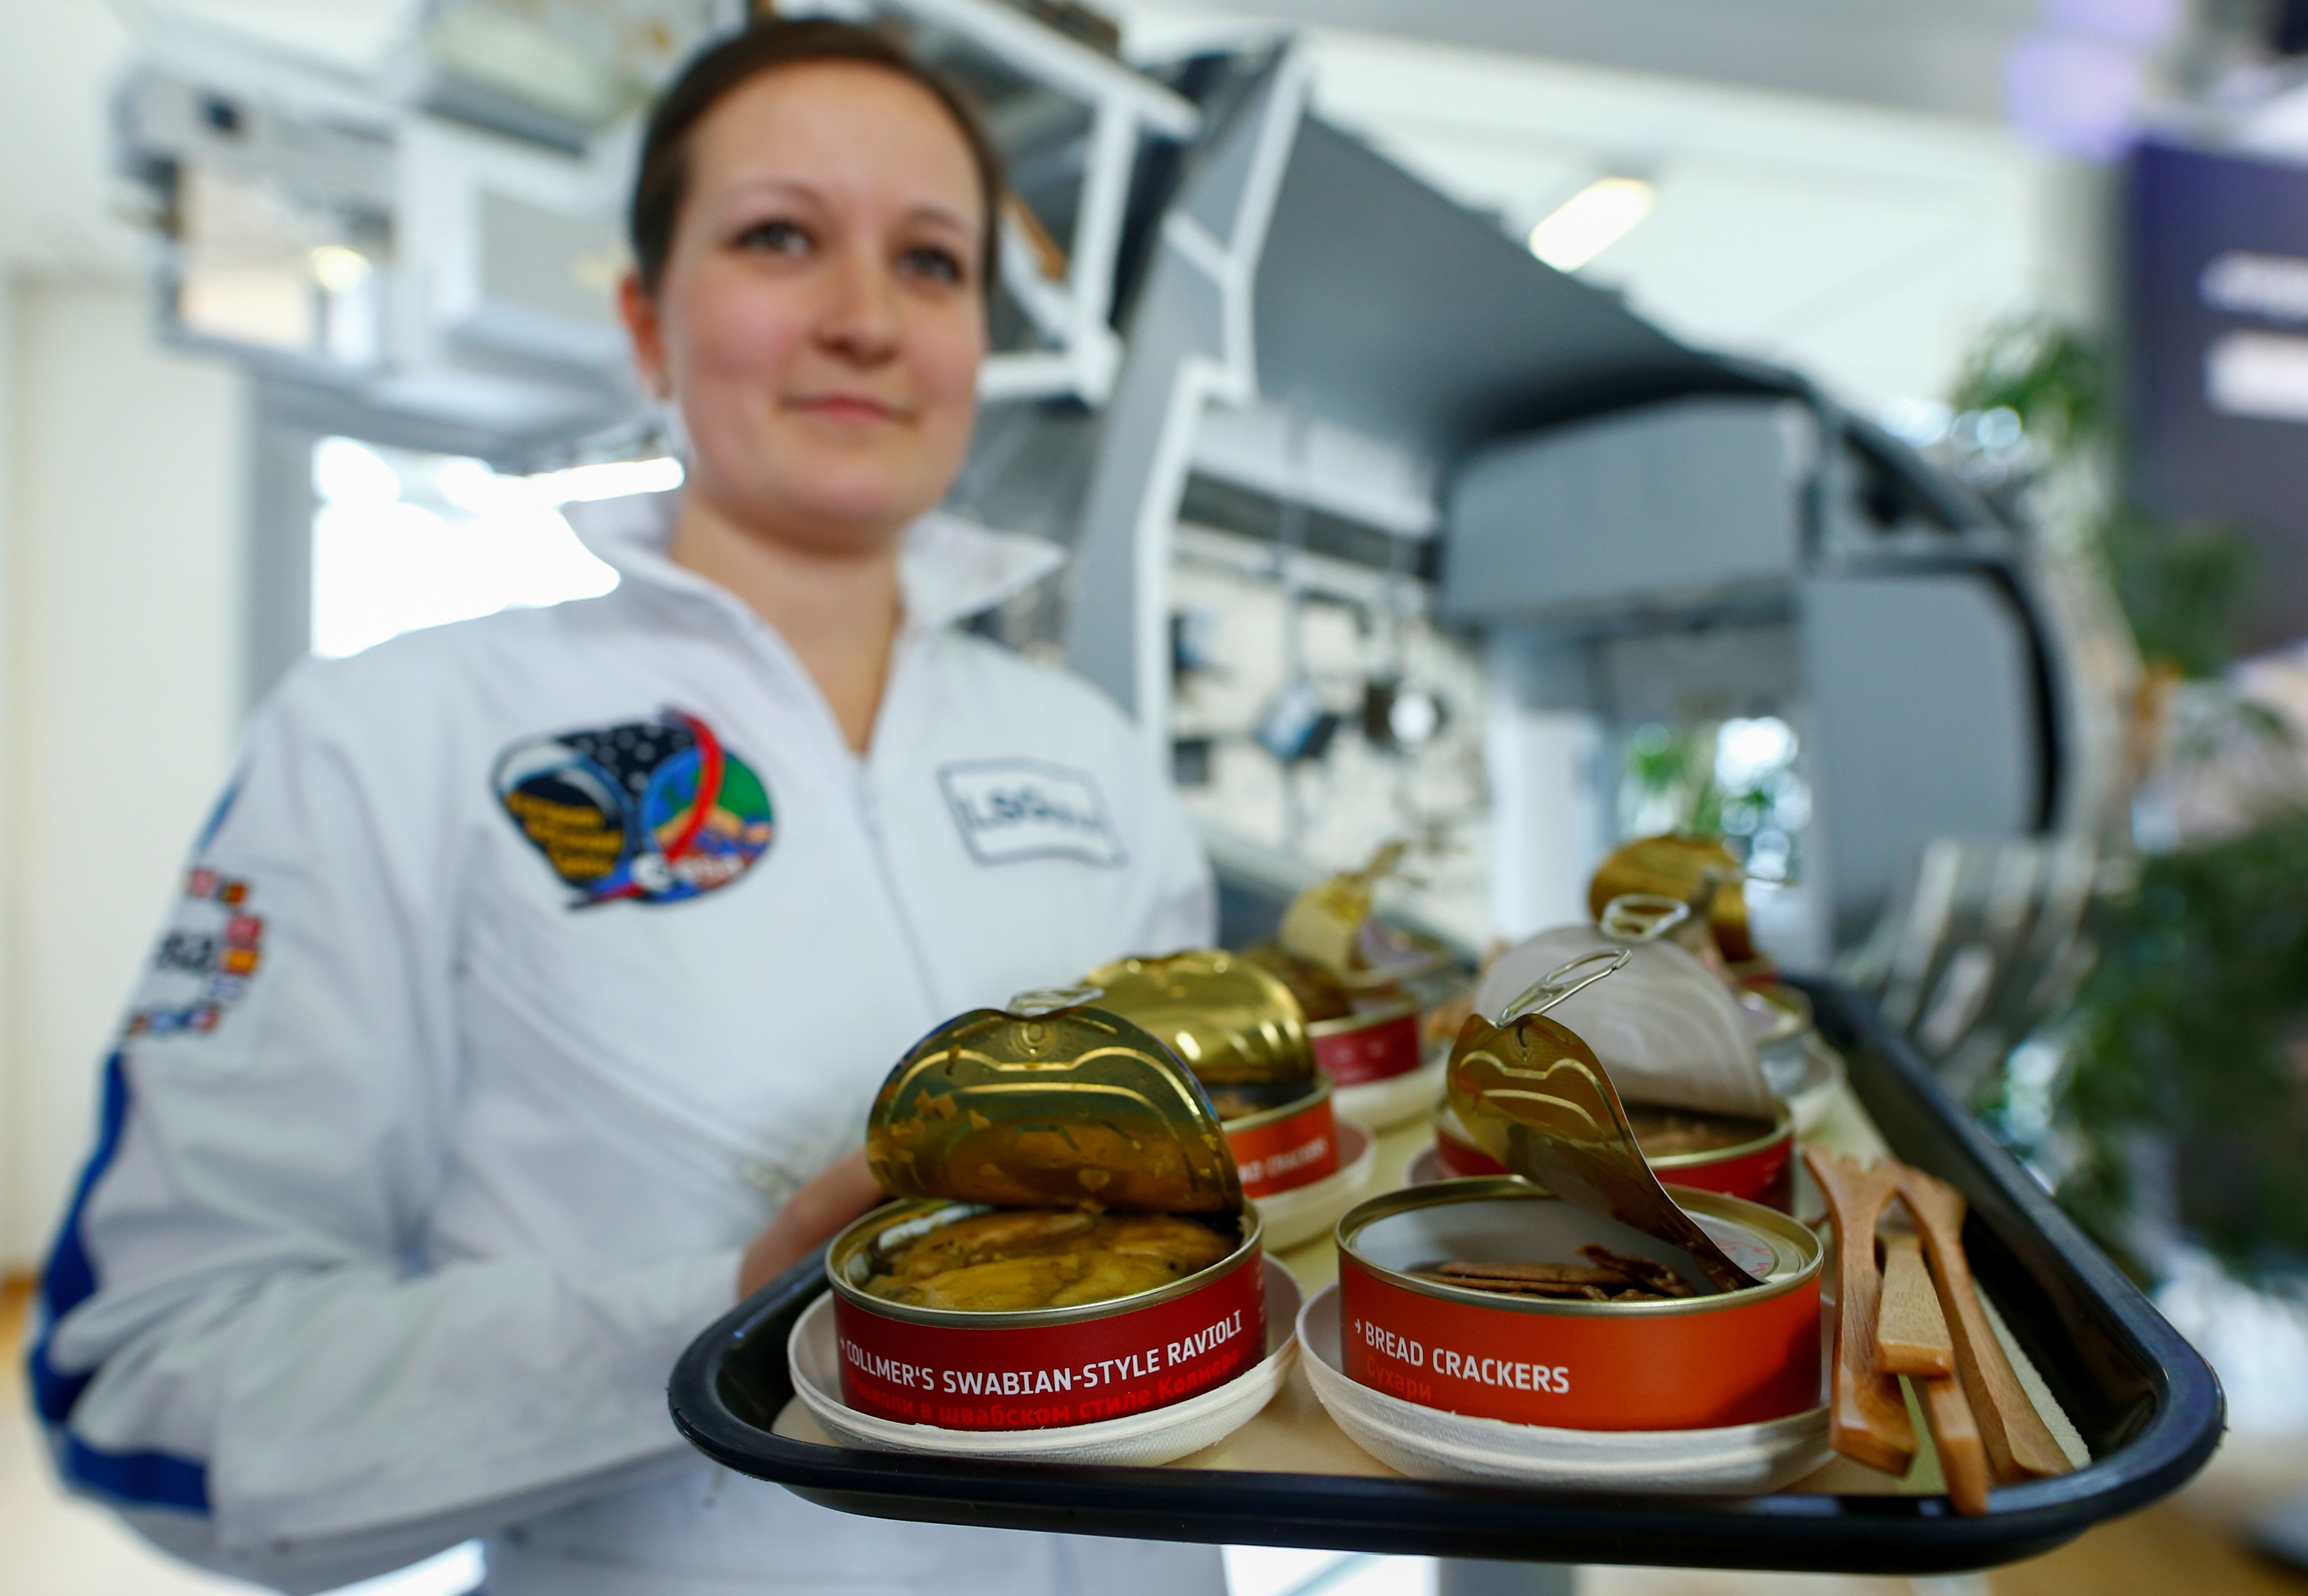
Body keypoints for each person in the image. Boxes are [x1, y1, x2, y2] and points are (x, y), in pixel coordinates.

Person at [29, 20, 1224, 1596]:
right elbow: (155, 1384)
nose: (866, 318)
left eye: (932, 264)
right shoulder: (393, 735)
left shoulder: (1097, 760)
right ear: (646, 325)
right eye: (781, 236)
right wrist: (732, 1312)